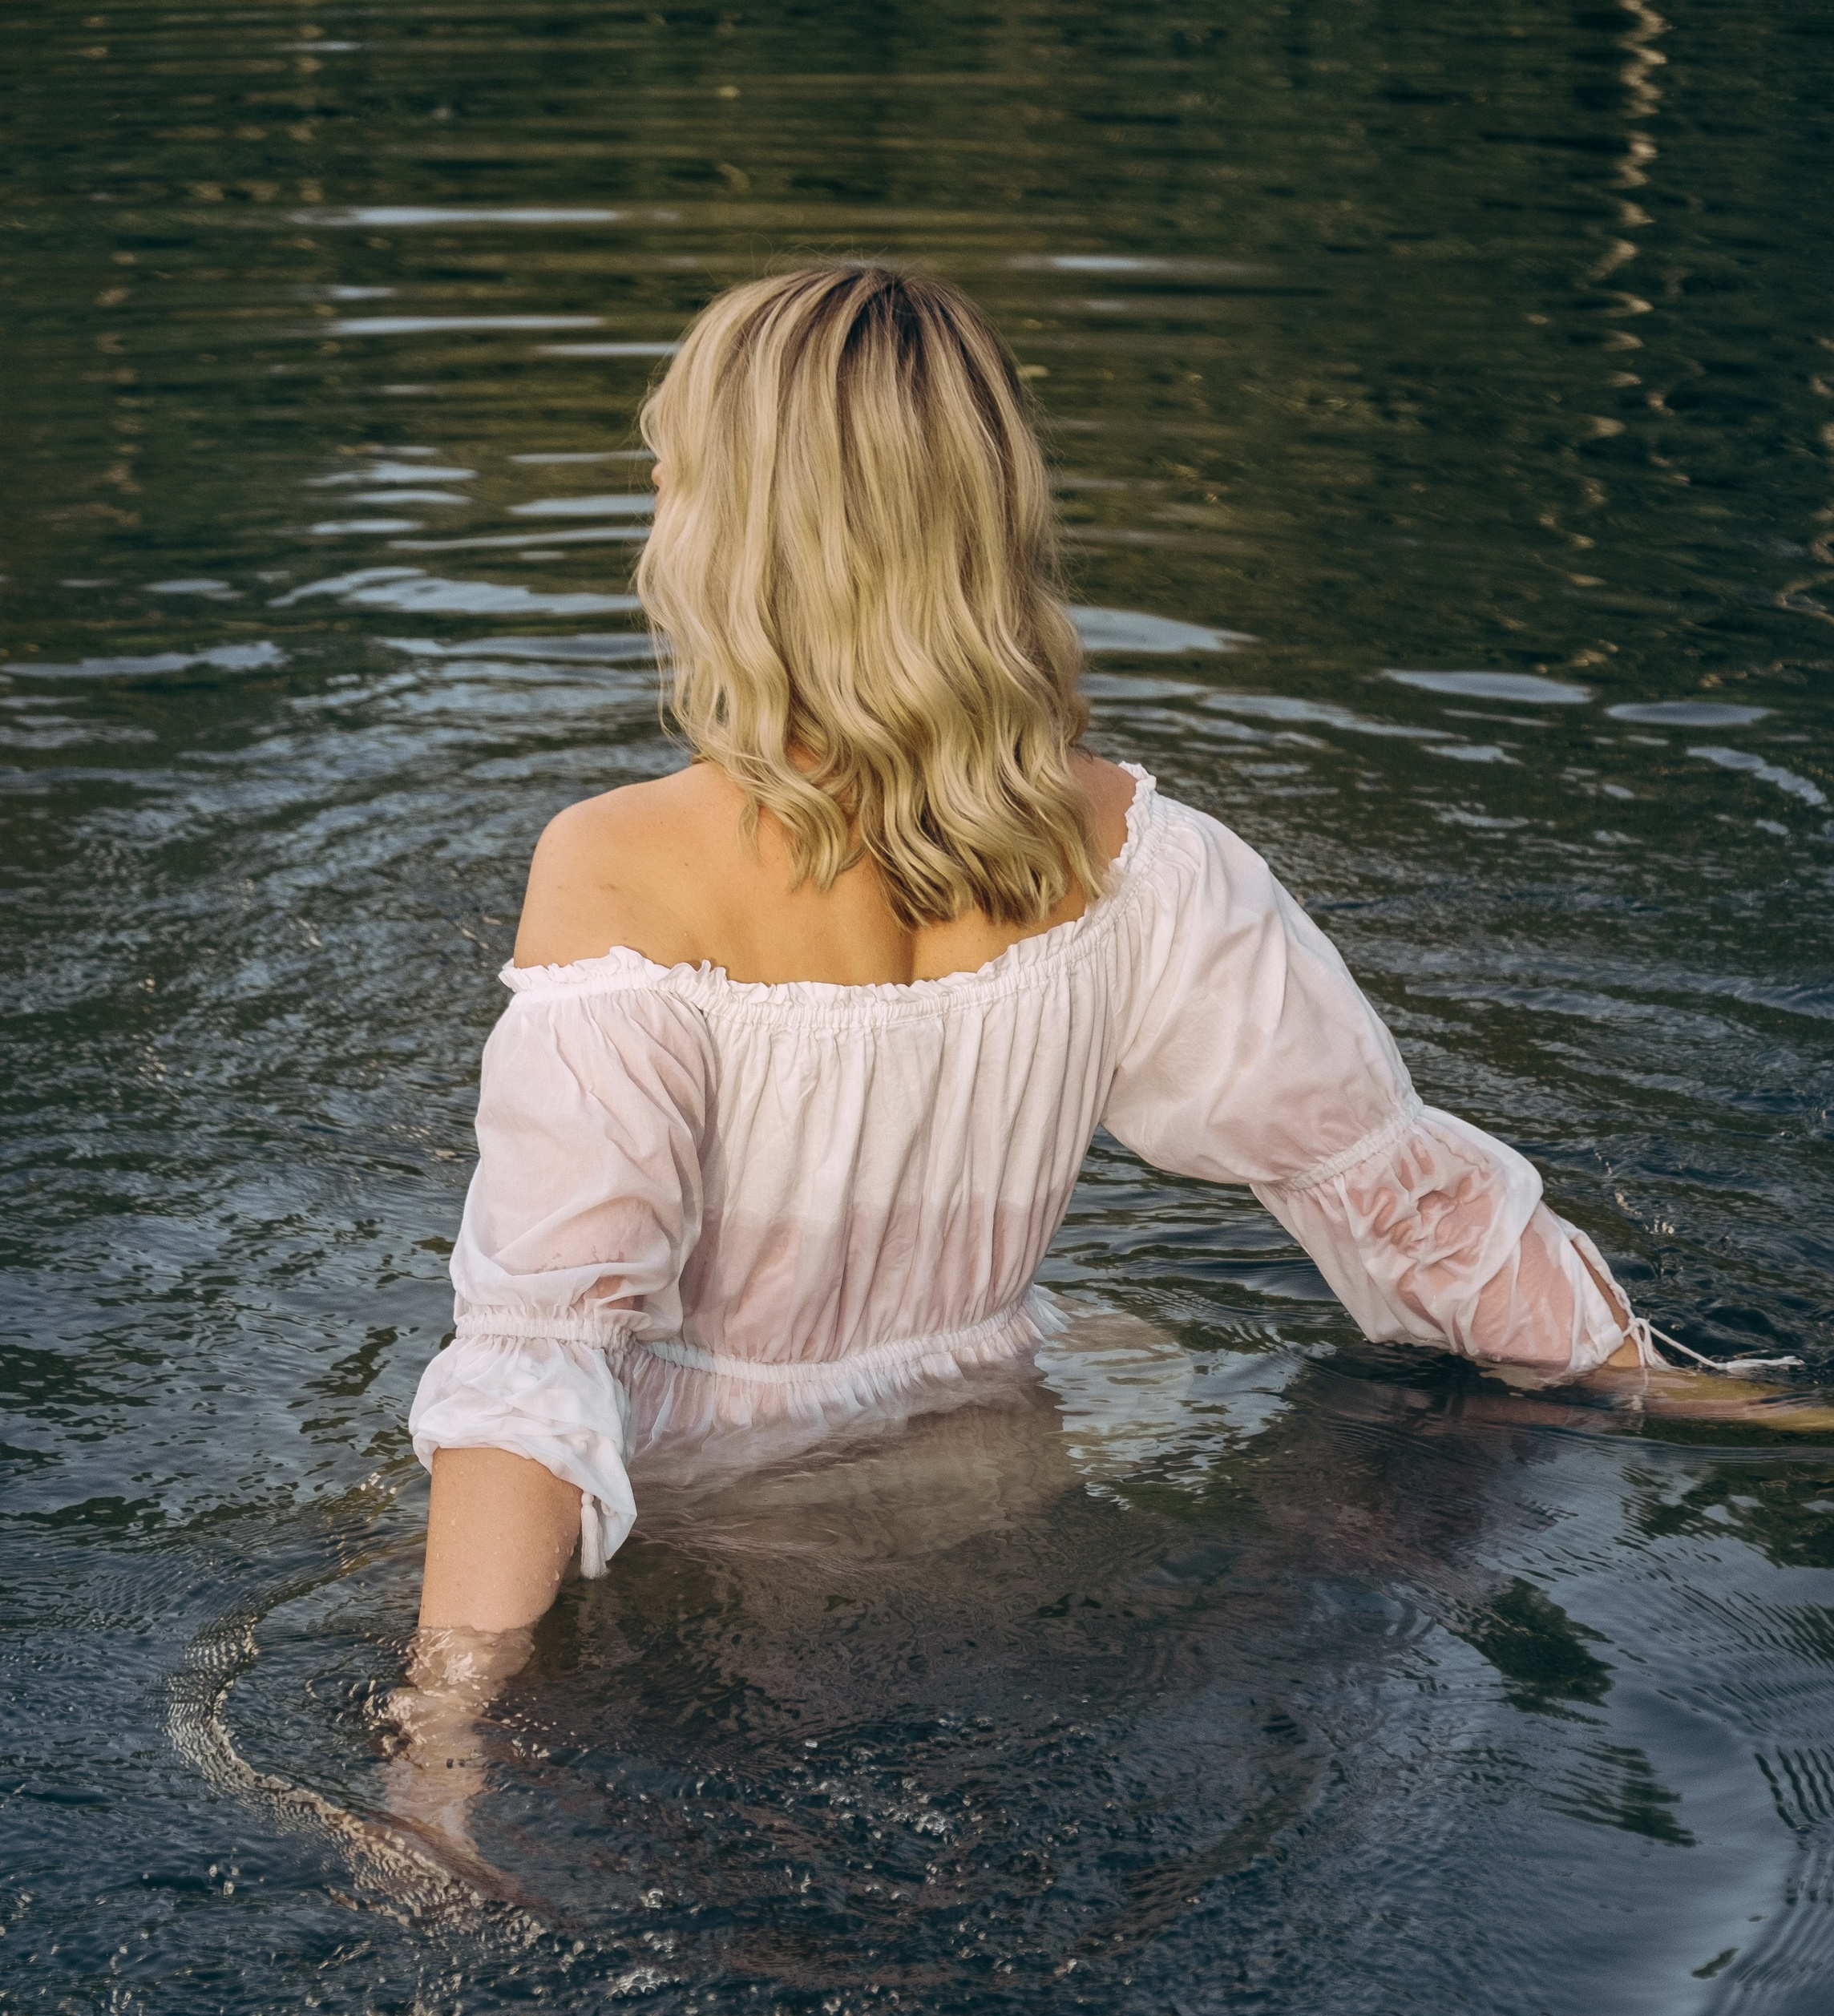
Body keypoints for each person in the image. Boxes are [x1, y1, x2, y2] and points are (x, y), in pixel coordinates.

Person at [410, 260, 1662, 1644]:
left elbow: (541, 1355)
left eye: (672, 472)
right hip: (986, 1465)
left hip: (689, 1511)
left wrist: (442, 1742)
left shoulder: (618, 860)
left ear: (736, 530)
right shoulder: (1139, 850)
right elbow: (1390, 1188)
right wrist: (1690, 1391)